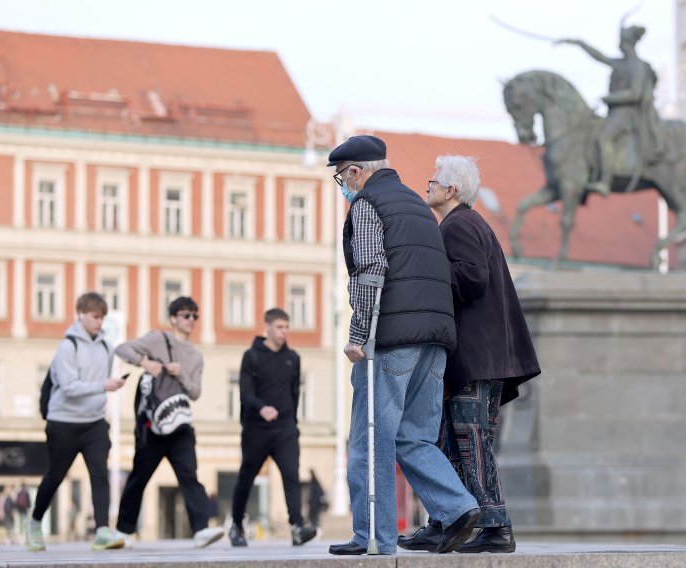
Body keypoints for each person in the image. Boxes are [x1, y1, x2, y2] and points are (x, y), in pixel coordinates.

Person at [327, 135, 480, 556]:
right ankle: (460, 506)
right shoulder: (416, 203)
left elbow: (371, 267)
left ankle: (371, 538)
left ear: (355, 171)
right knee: (415, 437)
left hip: (392, 339)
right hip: (435, 339)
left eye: (341, 177)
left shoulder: (367, 205)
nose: (343, 186)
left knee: (368, 437)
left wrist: (359, 335)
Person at [399, 156, 541, 554]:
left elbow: (472, 278)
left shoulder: (459, 224)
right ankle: (445, 519)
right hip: (481, 357)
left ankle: (496, 526)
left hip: (478, 358)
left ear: (451, 190)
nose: (426, 185)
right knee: (450, 438)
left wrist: (427, 271)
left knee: (470, 439)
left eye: (433, 181)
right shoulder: (464, 223)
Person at [114, 296, 224, 549]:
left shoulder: (196, 356)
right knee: (139, 478)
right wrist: (146, 363)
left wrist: (180, 373)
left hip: (181, 425)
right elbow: (121, 349)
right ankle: (123, 531)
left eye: (195, 316)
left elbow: (195, 392)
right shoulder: (157, 339)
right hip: (152, 425)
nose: (191, 320)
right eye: (186, 315)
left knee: (189, 476)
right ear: (173, 318)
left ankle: (201, 530)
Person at [25, 292, 126, 552]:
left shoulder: (106, 347)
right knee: (56, 476)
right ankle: (35, 523)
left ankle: (102, 530)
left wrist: (105, 390)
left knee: (99, 474)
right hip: (64, 422)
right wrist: (103, 385)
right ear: (80, 314)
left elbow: (97, 385)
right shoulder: (67, 346)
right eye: (94, 316)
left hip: (93, 422)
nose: (99, 322)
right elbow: (69, 387)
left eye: (102, 317)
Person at [229, 308, 316, 547]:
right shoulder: (252, 356)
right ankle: (236, 526)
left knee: (291, 476)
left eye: (287, 327)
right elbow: (245, 394)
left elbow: (295, 393)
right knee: (246, 476)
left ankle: (297, 526)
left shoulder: (293, 358)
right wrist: (261, 408)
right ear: (267, 327)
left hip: (285, 428)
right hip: (256, 428)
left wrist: (293, 423)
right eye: (279, 327)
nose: (284, 331)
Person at [558, 25, 664, 196]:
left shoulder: (637, 66)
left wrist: (610, 98)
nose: (619, 45)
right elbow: (600, 57)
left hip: (626, 114)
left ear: (629, 43)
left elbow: (635, 94)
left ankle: (605, 182)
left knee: (603, 138)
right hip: (614, 113)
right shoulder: (620, 63)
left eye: (622, 41)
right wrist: (580, 44)